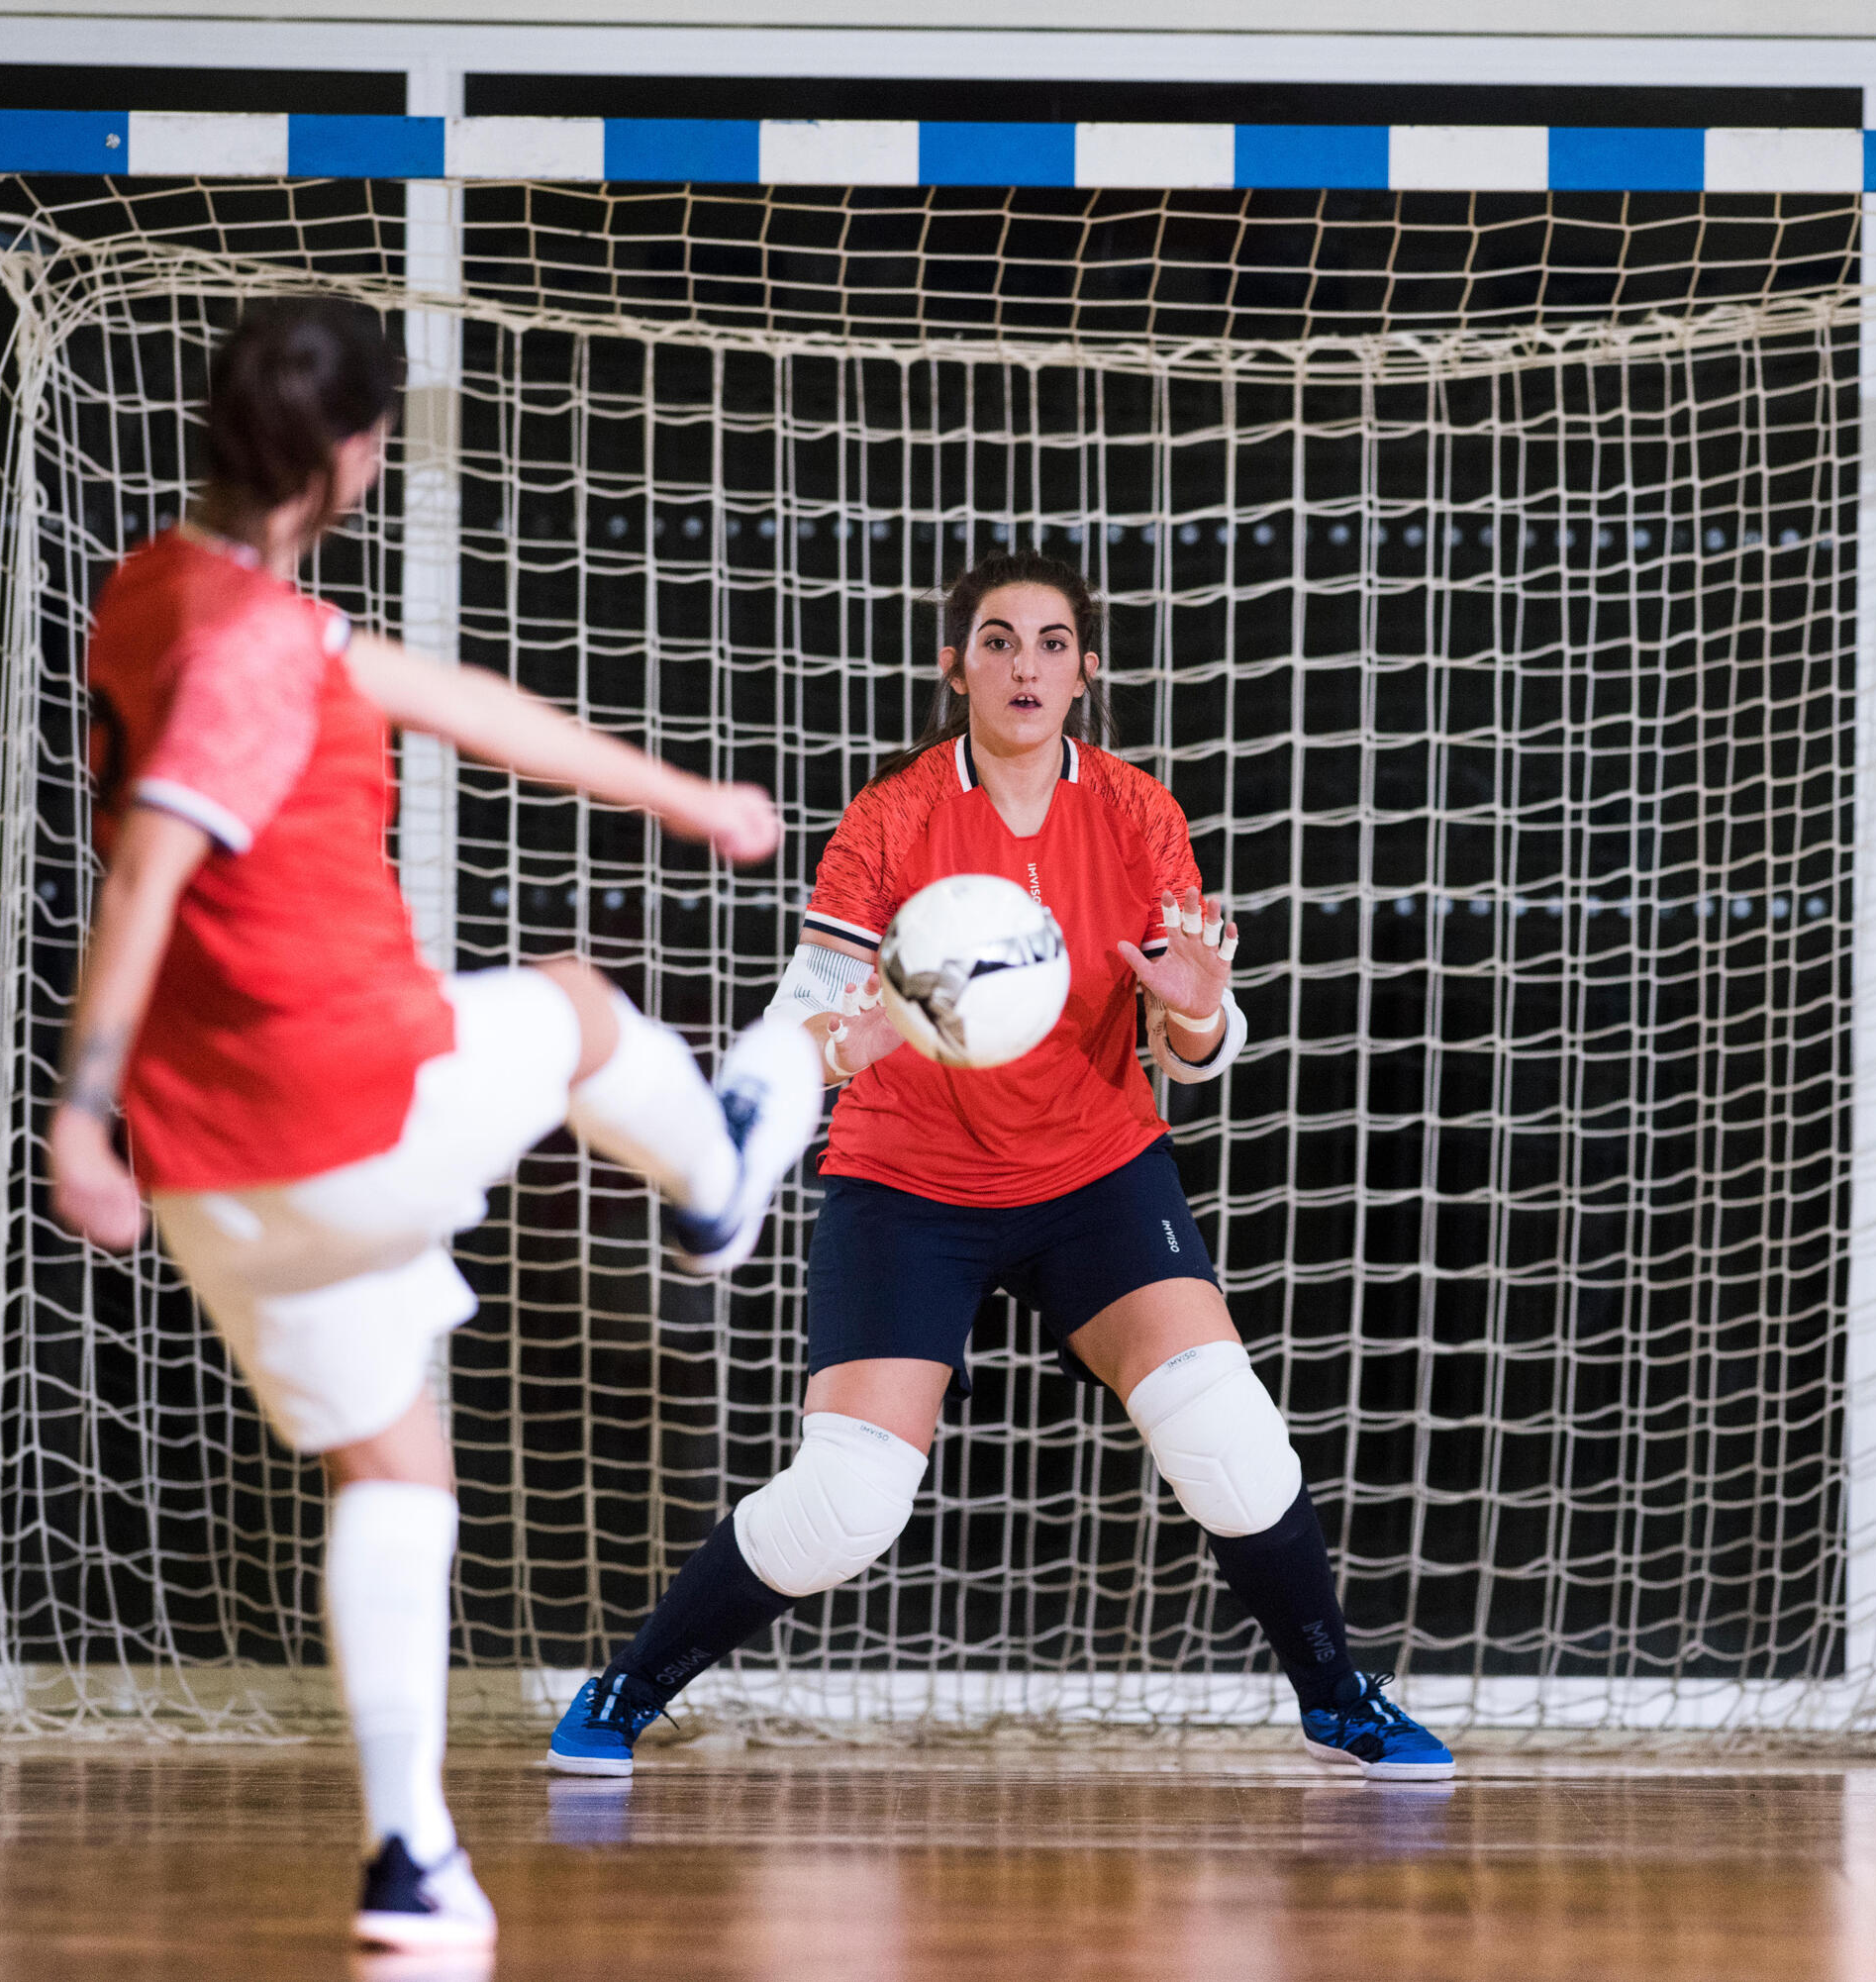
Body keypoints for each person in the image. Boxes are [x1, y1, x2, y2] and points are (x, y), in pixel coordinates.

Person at [48, 297, 822, 1952]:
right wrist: (73, 1111)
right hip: (351, 1107)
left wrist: (681, 798)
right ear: (354, 453)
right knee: (581, 1007)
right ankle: (718, 1178)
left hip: (224, 1178)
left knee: (392, 1466)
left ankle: (411, 1865)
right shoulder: (257, 654)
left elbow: (453, 699)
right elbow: (150, 873)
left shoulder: (161, 592)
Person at [543, 550, 1452, 1784]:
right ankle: (628, 1688)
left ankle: (1339, 1697)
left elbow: (1196, 1045)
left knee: (1229, 1437)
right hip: (909, 1178)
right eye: (999, 639)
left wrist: (1196, 1009)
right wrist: (839, 1040)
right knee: (847, 1505)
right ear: (955, 664)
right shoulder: (892, 818)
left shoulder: (1137, 815)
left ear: (1087, 671)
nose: (1026, 663)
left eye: (1052, 642)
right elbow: (801, 1015)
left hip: (1094, 1170)